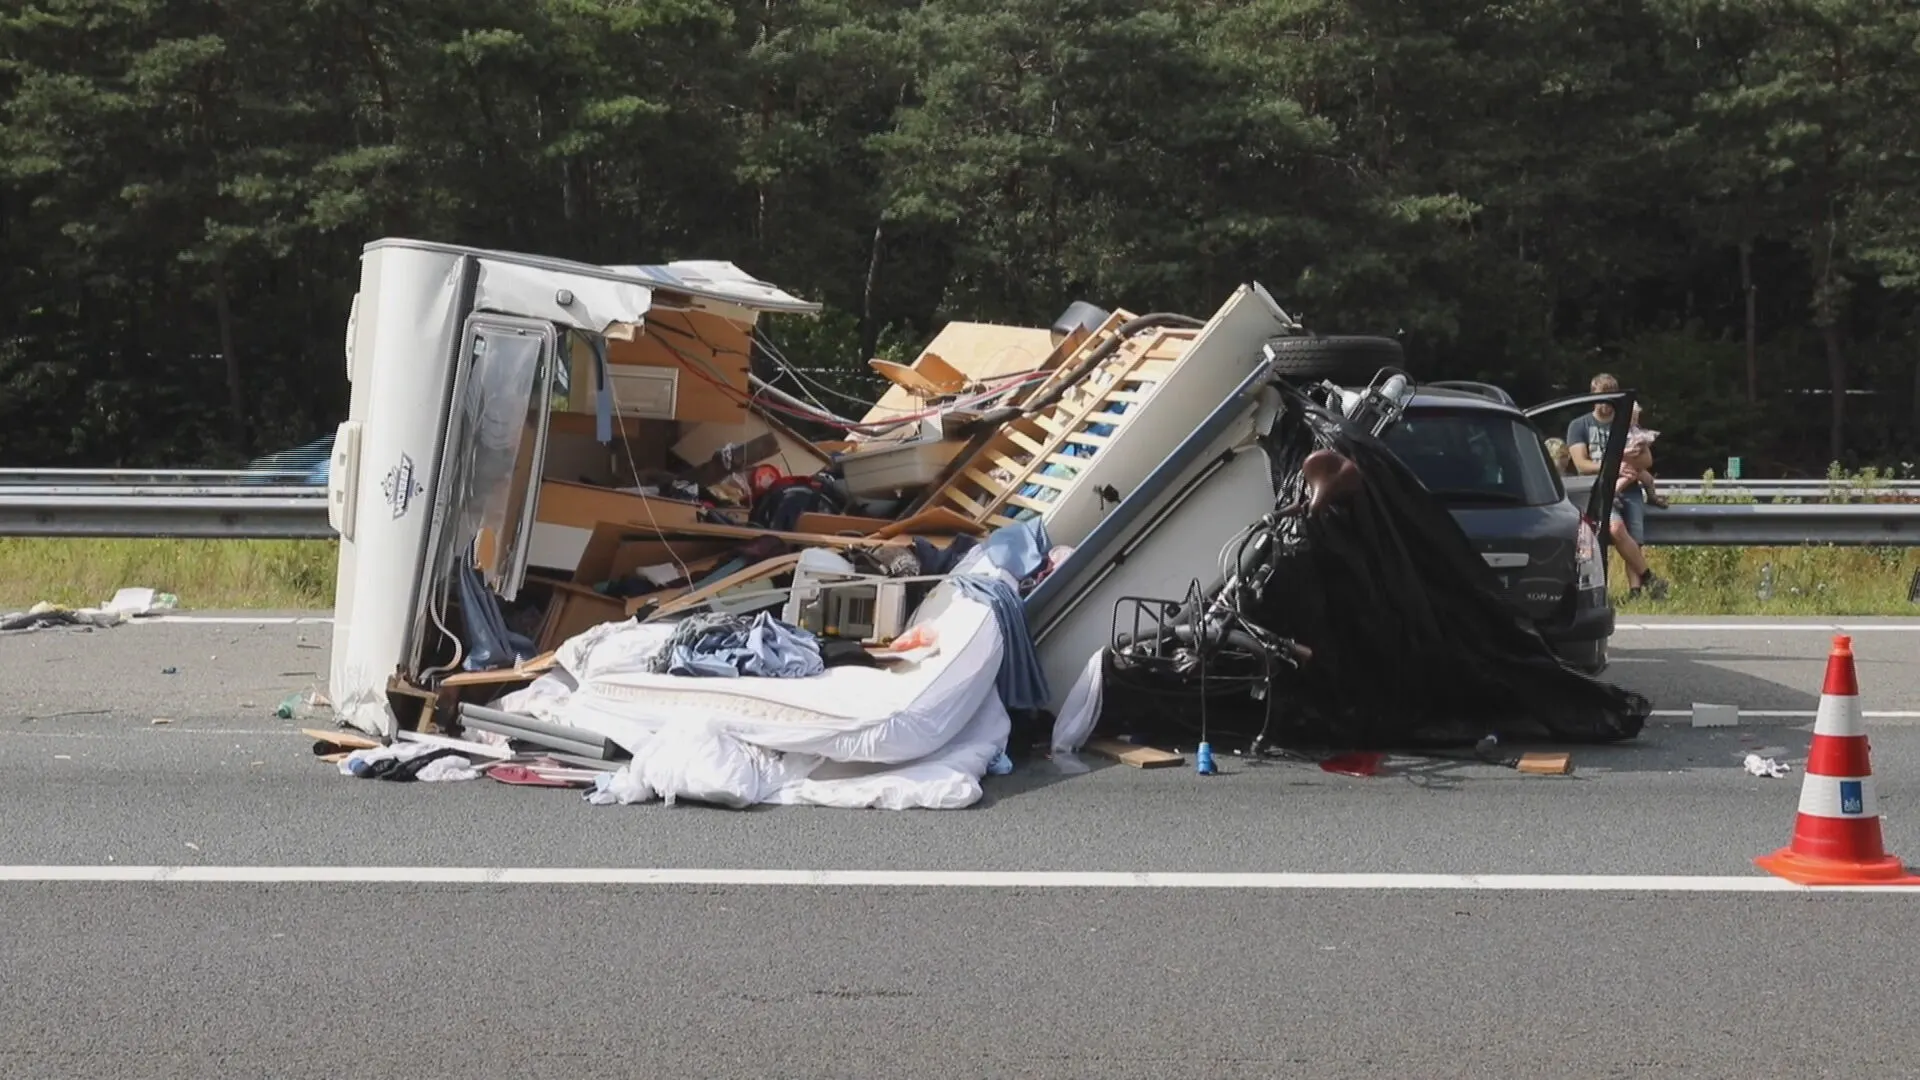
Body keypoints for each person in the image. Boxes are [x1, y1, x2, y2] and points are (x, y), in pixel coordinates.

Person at [1567, 374, 1669, 600]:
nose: (1604, 405)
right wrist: (1614, 464)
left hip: (1630, 487)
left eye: (1609, 399)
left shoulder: (1626, 423)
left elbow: (1646, 461)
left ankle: (1635, 591)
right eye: (1600, 399)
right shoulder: (1579, 426)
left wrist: (1628, 465)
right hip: (1599, 490)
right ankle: (1651, 578)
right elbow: (1582, 464)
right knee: (1615, 529)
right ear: (1592, 397)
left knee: (1635, 538)